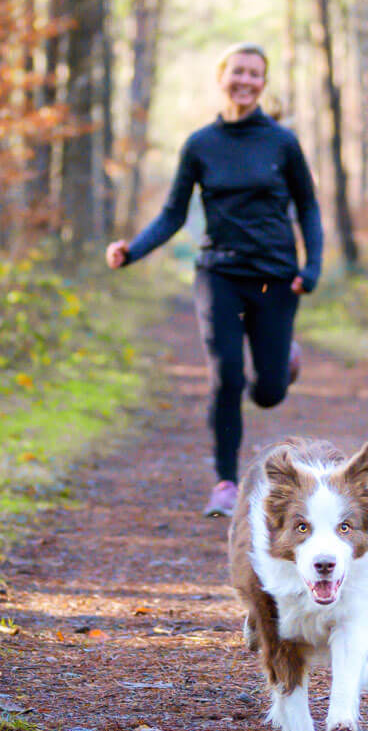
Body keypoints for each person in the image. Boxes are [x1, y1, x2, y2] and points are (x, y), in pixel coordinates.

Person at [106, 43, 323, 518]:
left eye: (255, 74)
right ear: (222, 76)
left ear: (263, 84)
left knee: (267, 392)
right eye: (238, 72)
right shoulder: (201, 145)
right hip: (218, 273)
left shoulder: (282, 143)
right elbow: (172, 214)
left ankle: (281, 359)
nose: (245, 81)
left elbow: (307, 206)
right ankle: (225, 483)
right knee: (225, 377)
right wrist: (132, 250)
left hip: (274, 277)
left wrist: (313, 267)